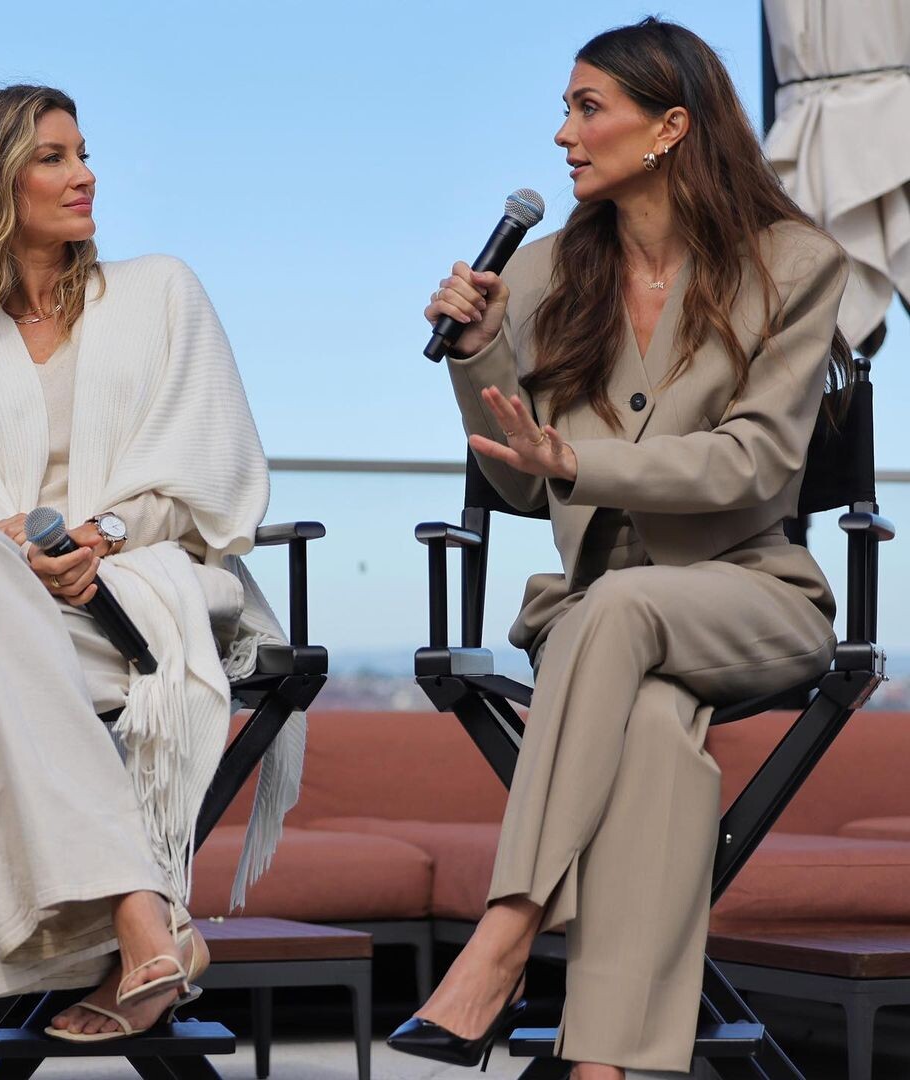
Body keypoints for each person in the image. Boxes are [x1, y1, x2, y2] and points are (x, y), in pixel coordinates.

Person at [388, 17, 852, 1079]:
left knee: (622, 608)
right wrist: (477, 353)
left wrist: (582, 463)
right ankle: (605, 1066)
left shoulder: (795, 263)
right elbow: (520, 482)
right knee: (648, 729)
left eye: (587, 107)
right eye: (565, 109)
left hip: (753, 598)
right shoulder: (543, 272)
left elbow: (752, 465)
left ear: (669, 127)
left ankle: (506, 933)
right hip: (601, 617)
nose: (563, 133)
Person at [0, 84, 303, 1042]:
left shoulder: (160, 291)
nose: (86, 175)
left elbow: (213, 469)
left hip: (142, 598)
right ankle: (143, 920)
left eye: (83, 153)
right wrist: (24, 553)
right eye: (54, 157)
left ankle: (96, 941)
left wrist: (100, 535)